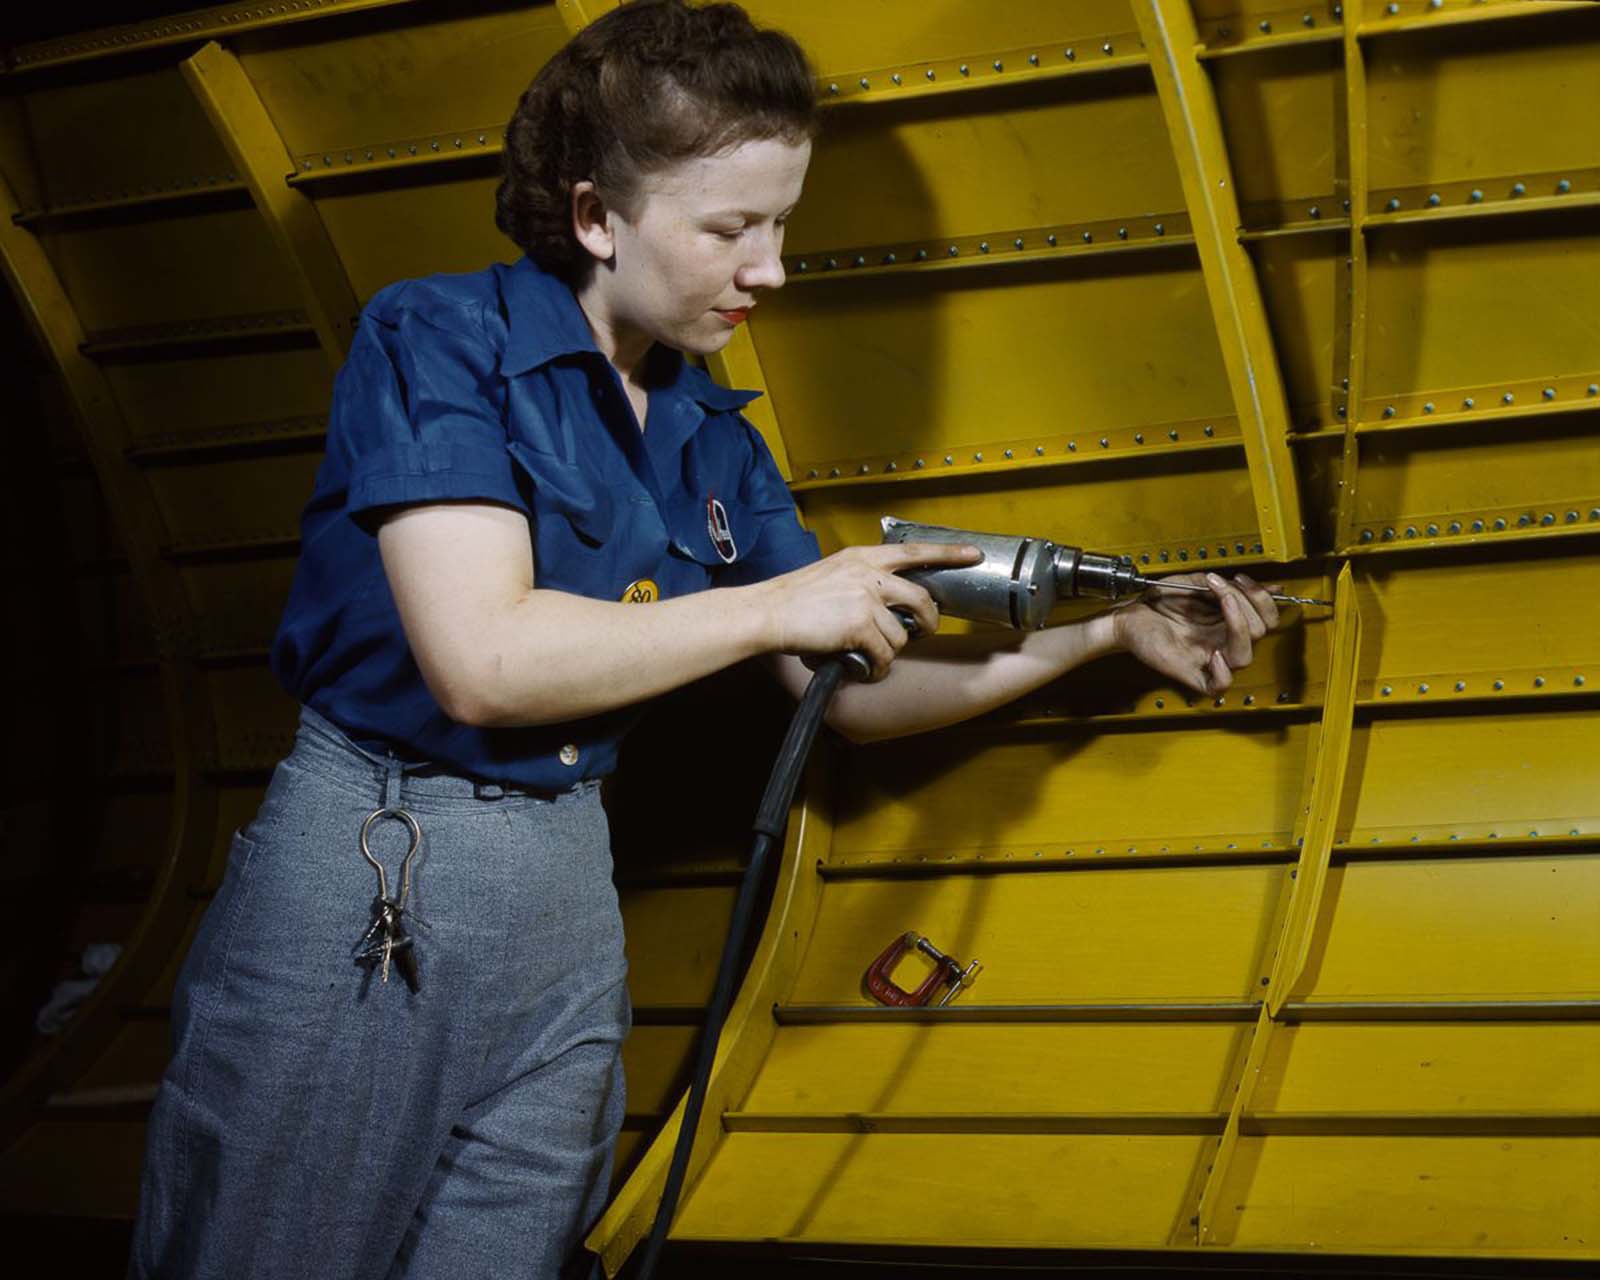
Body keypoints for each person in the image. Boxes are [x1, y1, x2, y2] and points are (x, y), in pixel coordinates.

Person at [129, 2, 1283, 1276]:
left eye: (780, 223)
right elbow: (484, 659)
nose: (770, 268)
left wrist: (1105, 635)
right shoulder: (438, 337)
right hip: (381, 860)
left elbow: (836, 696)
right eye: (731, 228)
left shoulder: (713, 433)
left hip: (566, 888)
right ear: (593, 217)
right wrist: (778, 602)